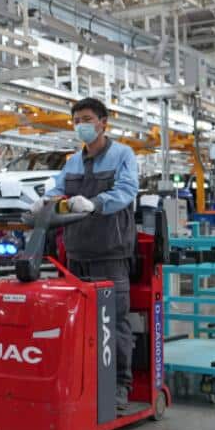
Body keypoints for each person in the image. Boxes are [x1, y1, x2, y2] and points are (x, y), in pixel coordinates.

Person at [43, 97, 139, 413]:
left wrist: (95, 203)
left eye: (86, 119)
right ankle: (85, 384)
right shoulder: (72, 162)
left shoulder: (123, 154)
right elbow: (57, 189)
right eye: (76, 121)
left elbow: (126, 191)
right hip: (76, 254)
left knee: (113, 323)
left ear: (103, 122)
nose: (81, 125)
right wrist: (46, 201)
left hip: (110, 253)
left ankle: (119, 387)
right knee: (79, 325)